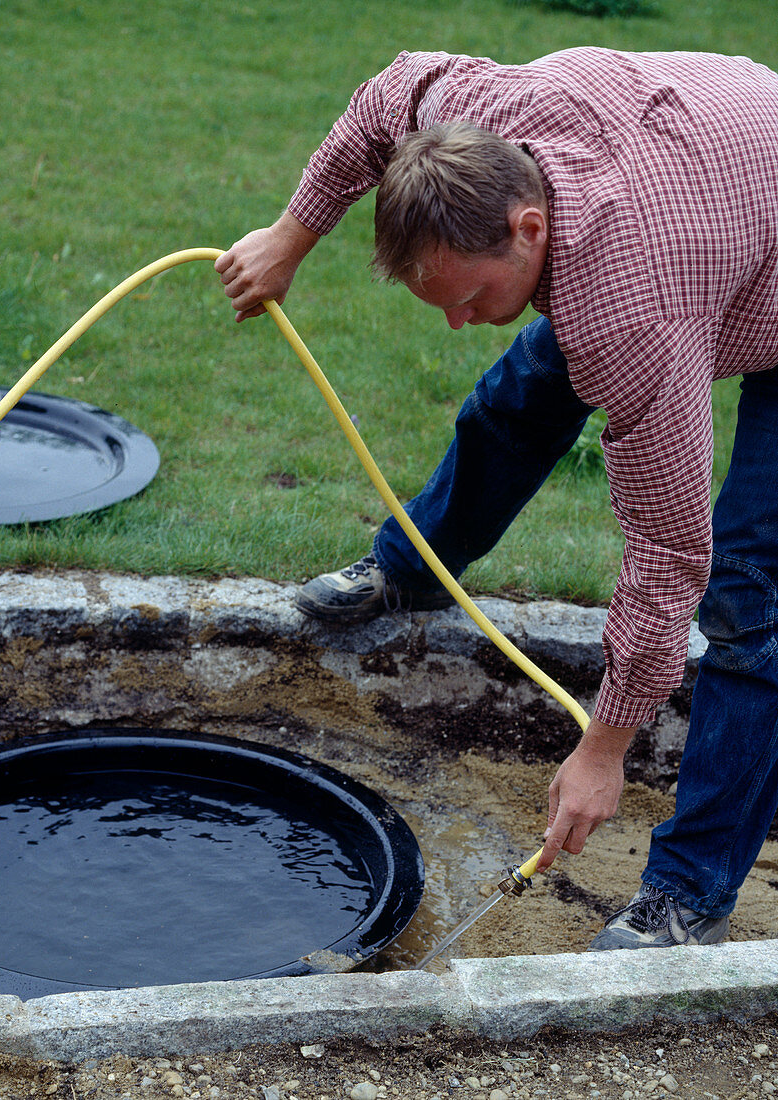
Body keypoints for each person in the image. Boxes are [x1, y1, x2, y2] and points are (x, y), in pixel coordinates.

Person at [216, 47, 778, 951]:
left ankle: (688, 893)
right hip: (714, 169)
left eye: (469, 296)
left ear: (526, 229)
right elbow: (378, 99)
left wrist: (602, 750)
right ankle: (412, 569)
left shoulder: (627, 311)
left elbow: (669, 554)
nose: (453, 321)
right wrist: (292, 234)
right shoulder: (466, 111)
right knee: (515, 396)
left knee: (752, 594)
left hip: (735, 250)